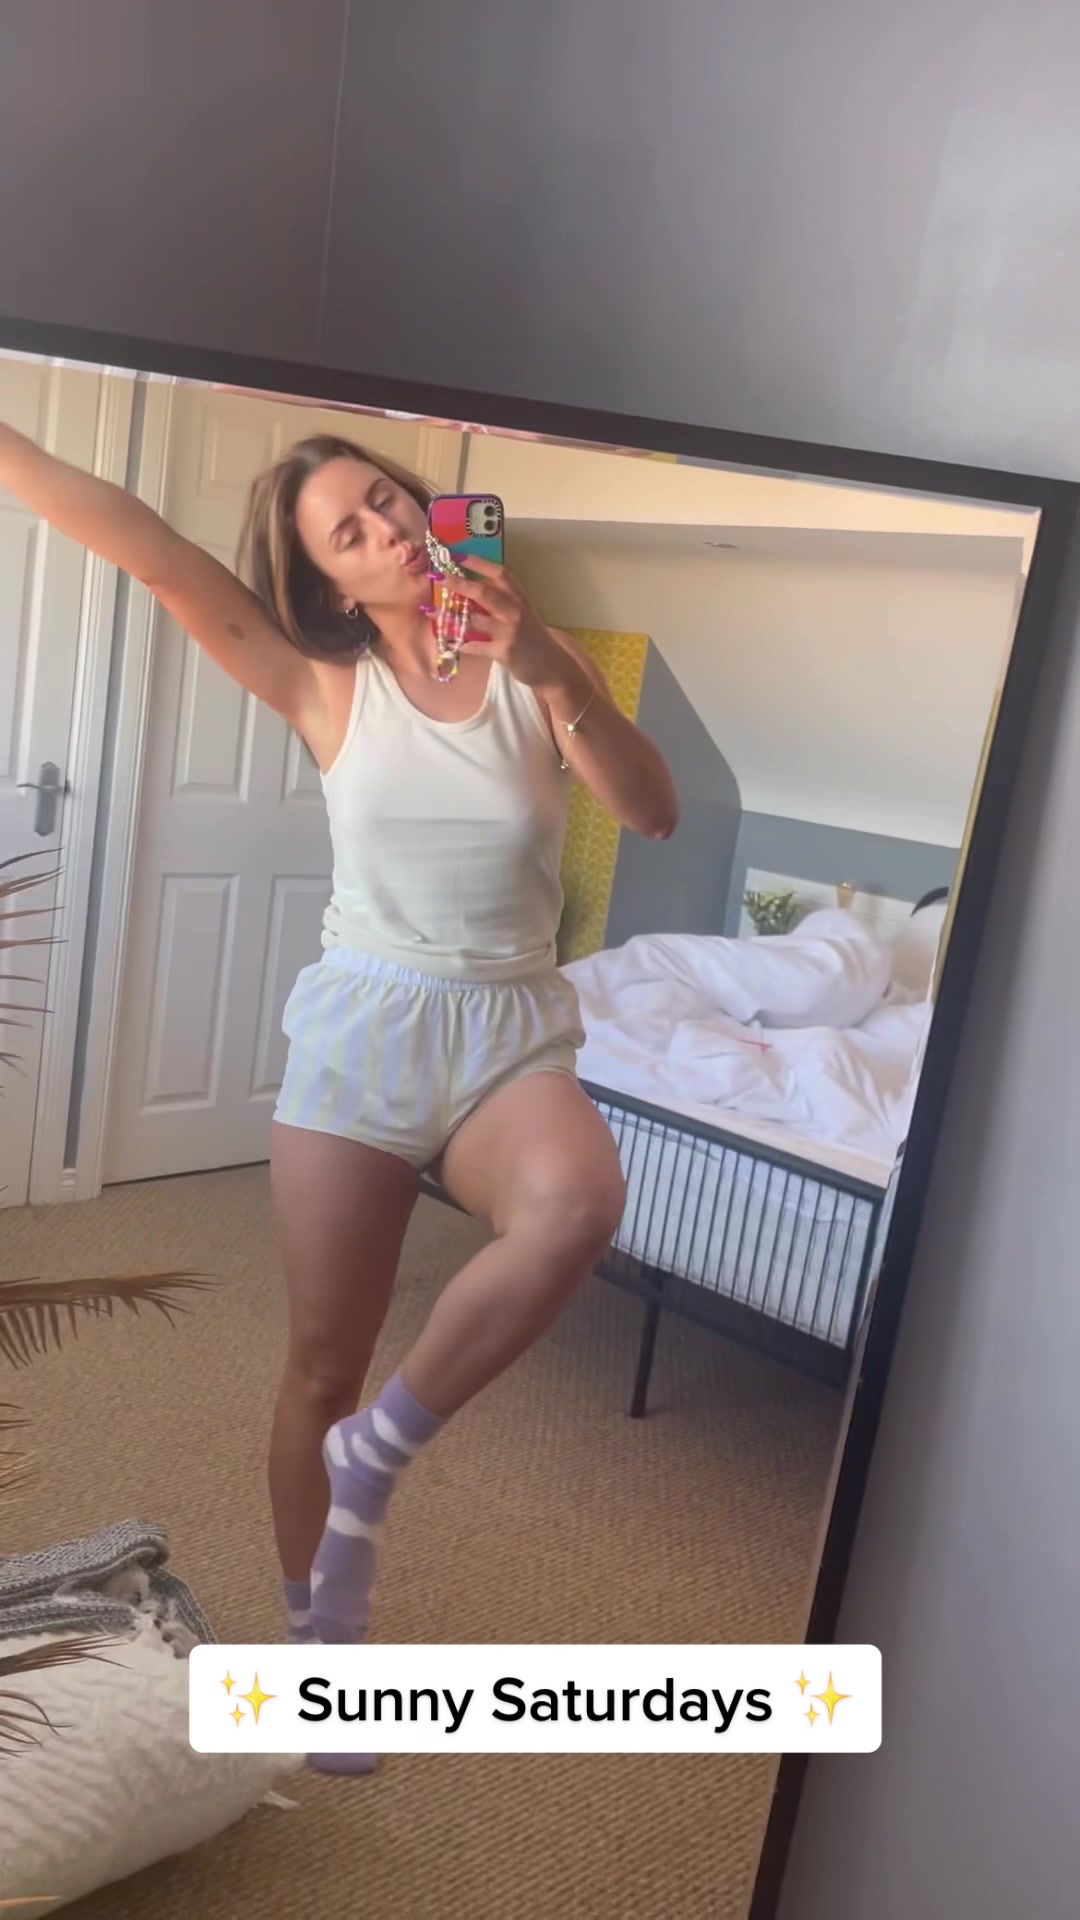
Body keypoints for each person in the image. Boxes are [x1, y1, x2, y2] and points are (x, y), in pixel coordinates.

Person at [0, 417, 679, 1770]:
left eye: (388, 501)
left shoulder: (527, 666)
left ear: (432, 511)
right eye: (348, 533)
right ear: (329, 583)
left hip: (507, 1029)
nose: (385, 532)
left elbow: (652, 811)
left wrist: (550, 670)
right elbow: (149, 548)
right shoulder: (323, 682)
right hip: (365, 1033)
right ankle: (323, 1652)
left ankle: (383, 1453)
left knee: (577, 1204)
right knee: (322, 1364)